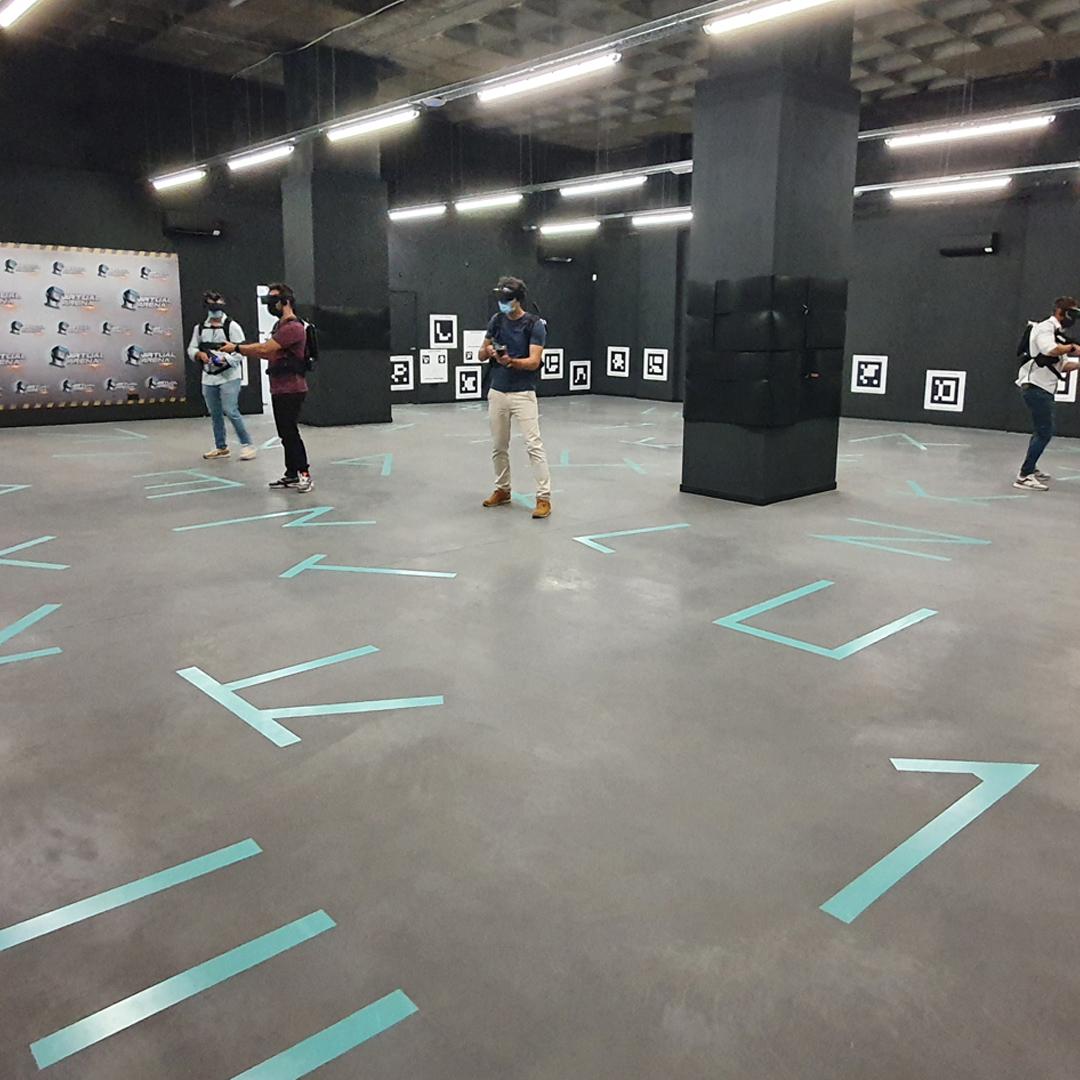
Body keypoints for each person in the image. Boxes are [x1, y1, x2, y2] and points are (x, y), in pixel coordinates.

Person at [221, 283, 312, 492]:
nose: (270, 305)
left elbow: (265, 349)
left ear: (286, 302)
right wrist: (247, 350)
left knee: (290, 433)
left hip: (292, 389)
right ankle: (292, 473)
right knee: (285, 434)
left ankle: (304, 474)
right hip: (280, 388)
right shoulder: (280, 326)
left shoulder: (292, 328)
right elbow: (268, 353)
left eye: (274, 300)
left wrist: (237, 348)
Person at [479, 276, 552, 519]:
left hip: (523, 393)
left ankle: (544, 497)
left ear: (518, 300)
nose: (502, 303)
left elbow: (534, 362)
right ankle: (502, 489)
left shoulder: (534, 325)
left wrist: (511, 362)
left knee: (533, 445)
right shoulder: (496, 320)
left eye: (507, 299)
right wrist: (489, 351)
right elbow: (480, 354)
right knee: (499, 445)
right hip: (498, 391)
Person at [1014, 296, 1080, 491]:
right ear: (1061, 312)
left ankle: (1031, 467)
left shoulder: (1056, 333)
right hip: (1036, 387)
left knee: (1040, 431)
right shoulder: (1045, 328)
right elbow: (1049, 350)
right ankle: (1024, 476)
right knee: (1045, 432)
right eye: (1071, 314)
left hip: (1043, 388)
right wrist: (1073, 348)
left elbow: (1062, 365)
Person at [187, 290, 254, 461]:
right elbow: (192, 348)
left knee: (231, 410)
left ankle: (247, 445)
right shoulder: (199, 328)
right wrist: (199, 354)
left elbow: (241, 351)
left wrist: (225, 360)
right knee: (215, 413)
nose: (215, 310)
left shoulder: (232, 326)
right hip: (208, 377)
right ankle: (221, 447)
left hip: (229, 376)